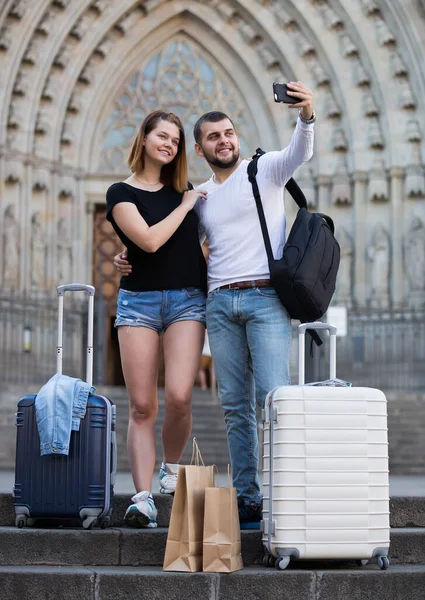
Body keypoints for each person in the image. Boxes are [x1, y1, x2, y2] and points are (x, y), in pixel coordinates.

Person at [114, 82, 315, 526]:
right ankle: (247, 496)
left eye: (229, 133)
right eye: (213, 137)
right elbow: (181, 243)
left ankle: (283, 497)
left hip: (265, 298)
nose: (224, 140)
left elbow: (299, 152)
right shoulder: (199, 198)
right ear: (202, 151)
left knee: (273, 400)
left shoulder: (265, 170)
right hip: (219, 304)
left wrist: (306, 116)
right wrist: (129, 252)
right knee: (234, 407)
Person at [106, 110, 208, 528]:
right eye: (162, 136)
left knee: (181, 396)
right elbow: (147, 240)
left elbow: (207, 241)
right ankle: (143, 496)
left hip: (187, 299)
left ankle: (169, 468)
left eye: (176, 139)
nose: (169, 144)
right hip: (138, 304)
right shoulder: (120, 192)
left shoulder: (187, 192)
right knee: (143, 406)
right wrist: (185, 205)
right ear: (144, 138)